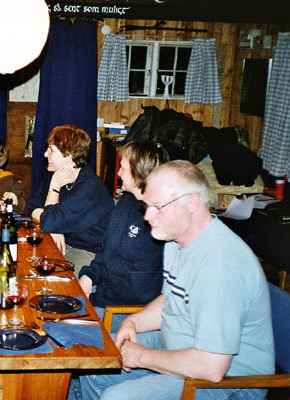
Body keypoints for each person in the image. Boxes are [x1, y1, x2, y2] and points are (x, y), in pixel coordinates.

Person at [78, 160, 274, 400]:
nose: (147, 216)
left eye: (157, 207)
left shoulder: (221, 265)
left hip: (229, 382)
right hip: (180, 346)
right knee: (94, 357)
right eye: (147, 206)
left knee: (116, 397)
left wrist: (140, 356)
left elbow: (211, 367)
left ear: (191, 203)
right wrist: (133, 322)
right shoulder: (176, 240)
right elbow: (170, 299)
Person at [79, 141, 169, 312]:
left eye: (123, 168)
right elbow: (105, 251)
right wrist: (89, 277)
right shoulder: (125, 203)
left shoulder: (157, 220)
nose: (118, 173)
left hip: (126, 310)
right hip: (104, 294)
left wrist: (93, 299)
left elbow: (138, 291)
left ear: (139, 174)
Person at [24, 124, 113, 274]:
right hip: (62, 242)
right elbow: (30, 205)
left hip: (90, 253)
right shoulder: (53, 177)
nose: (45, 154)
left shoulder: (89, 187)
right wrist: (54, 226)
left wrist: (54, 189)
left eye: (51, 150)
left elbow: (50, 222)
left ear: (70, 155)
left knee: (49, 279)